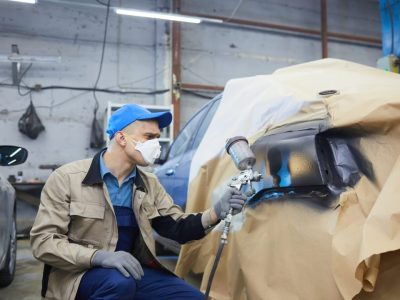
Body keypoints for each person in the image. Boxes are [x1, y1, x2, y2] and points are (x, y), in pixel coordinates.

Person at [30, 103, 247, 300]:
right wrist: (99, 257)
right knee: (119, 284)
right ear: (122, 138)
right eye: (149, 137)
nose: (157, 144)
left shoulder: (148, 183)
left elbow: (176, 228)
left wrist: (216, 212)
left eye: (157, 137)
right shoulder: (68, 178)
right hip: (78, 275)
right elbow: (44, 242)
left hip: (131, 270)